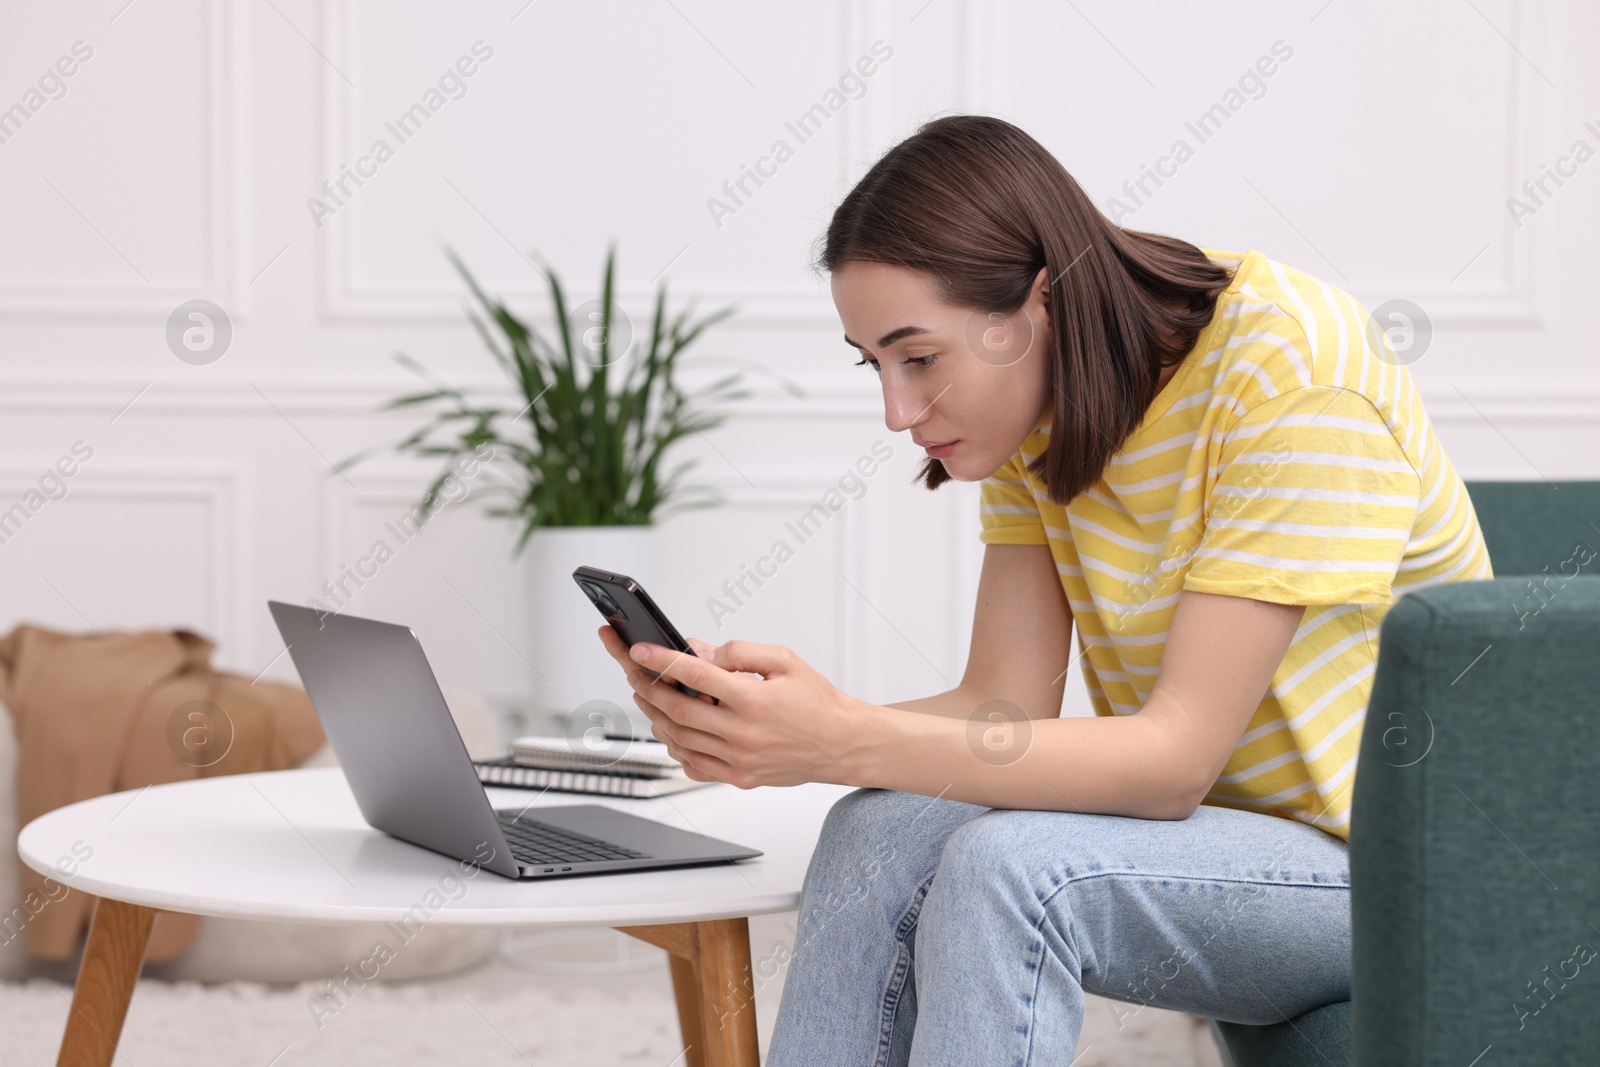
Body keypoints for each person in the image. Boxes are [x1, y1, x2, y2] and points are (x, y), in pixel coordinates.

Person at [595, 114, 1491, 1064]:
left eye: (921, 358)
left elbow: (1175, 758)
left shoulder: (1290, 371)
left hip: (1404, 875)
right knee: (881, 824)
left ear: (1038, 299)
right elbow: (1003, 706)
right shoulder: (1047, 401)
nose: (898, 412)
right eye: (876, 365)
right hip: (1223, 848)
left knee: (1016, 870)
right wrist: (784, 729)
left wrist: (842, 736)